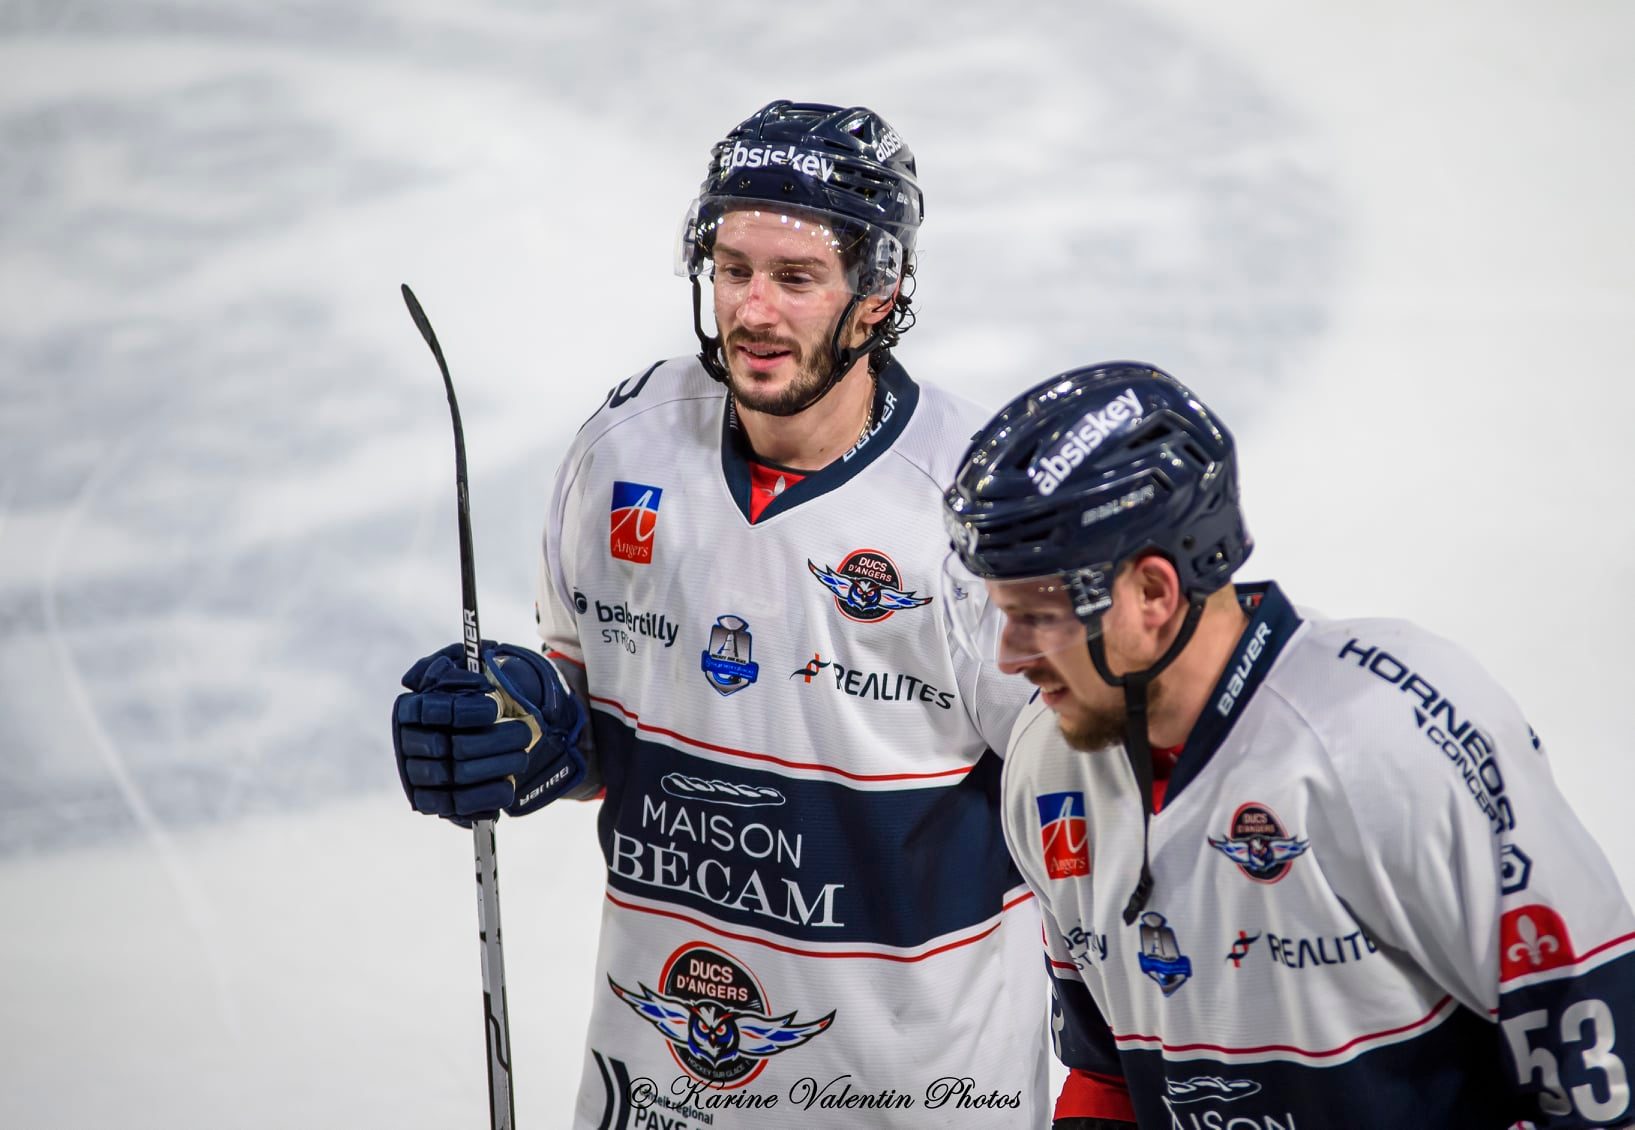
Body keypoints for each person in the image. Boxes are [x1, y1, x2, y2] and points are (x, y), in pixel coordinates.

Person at [392, 100, 1049, 1127]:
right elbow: (596, 697)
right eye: (733, 268)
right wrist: (531, 725)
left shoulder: (972, 504)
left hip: (912, 1098)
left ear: (878, 294)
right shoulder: (626, 443)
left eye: (794, 279)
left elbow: (1087, 798)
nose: (752, 310)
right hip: (659, 1088)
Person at [940, 361, 1635, 1128]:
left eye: (1038, 613)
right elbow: (1109, 1080)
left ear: (1152, 593)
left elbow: (1599, 1069)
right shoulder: (1046, 766)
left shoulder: (1388, 736)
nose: (1007, 655)